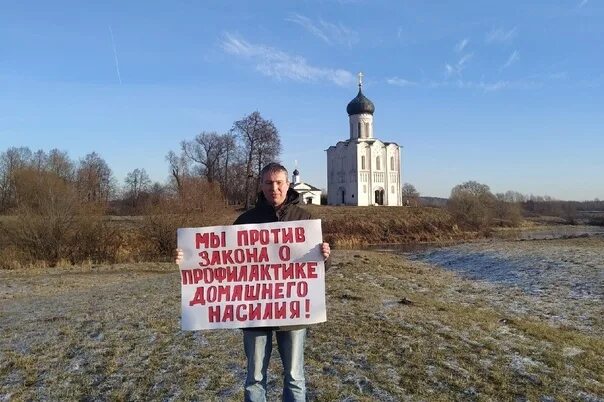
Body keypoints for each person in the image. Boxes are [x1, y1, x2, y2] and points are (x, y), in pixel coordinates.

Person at [175, 162, 330, 402]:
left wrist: (325, 256)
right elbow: (222, 263)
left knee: (294, 377)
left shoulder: (305, 220)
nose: (274, 188)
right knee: (255, 378)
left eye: (279, 183)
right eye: (268, 183)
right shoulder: (246, 221)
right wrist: (189, 259)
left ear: (288, 184)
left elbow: (317, 269)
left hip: (293, 312)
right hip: (254, 314)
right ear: (261, 185)